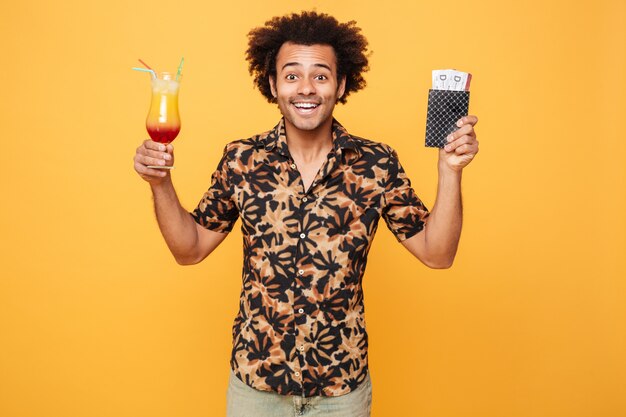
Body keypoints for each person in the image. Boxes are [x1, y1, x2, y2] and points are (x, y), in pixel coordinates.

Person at [133, 11, 479, 417]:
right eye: (292, 75)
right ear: (274, 84)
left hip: (342, 391)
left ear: (341, 84)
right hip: (256, 387)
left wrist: (450, 171)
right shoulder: (242, 160)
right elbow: (189, 249)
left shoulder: (376, 164)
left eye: (321, 75)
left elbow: (437, 254)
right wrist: (160, 183)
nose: (307, 88)